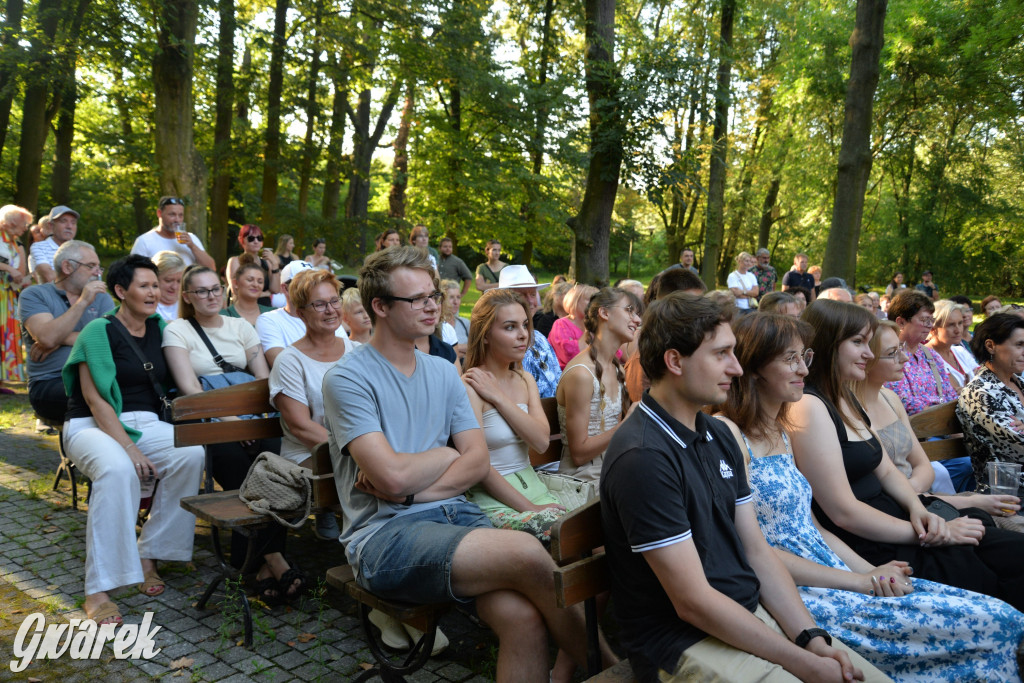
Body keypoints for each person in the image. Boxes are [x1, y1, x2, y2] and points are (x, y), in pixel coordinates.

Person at [323, 245, 600, 681]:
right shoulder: (348, 378)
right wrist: (446, 454)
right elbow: (391, 476)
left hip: (458, 517)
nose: (432, 305)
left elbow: (474, 463)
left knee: (523, 619)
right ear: (379, 306)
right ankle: (615, 669)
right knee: (529, 551)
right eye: (416, 299)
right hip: (384, 537)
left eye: (433, 294)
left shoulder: (441, 370)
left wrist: (420, 481)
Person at [716, 312, 1024, 682]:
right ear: (752, 368)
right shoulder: (732, 432)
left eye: (804, 357)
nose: (802, 368)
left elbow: (814, 527)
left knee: (1003, 611)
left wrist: (870, 570)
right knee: (998, 618)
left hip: (840, 563)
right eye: (790, 359)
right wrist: (861, 579)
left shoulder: (780, 431)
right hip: (804, 587)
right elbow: (759, 549)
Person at [601, 293, 883, 683]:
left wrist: (812, 638)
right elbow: (693, 602)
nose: (736, 368)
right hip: (685, 641)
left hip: (747, 613)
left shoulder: (717, 434)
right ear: (674, 361)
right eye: (721, 354)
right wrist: (800, 662)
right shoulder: (643, 457)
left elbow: (757, 550)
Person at [791, 298, 1024, 611]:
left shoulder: (844, 397)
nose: (868, 353)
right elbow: (843, 512)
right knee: (989, 576)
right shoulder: (810, 406)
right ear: (829, 345)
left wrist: (921, 510)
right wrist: (927, 532)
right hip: (876, 542)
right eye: (858, 342)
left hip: (902, 522)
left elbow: (887, 471)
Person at [62, 255, 205, 624]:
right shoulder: (98, 331)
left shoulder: (162, 327)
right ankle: (98, 590)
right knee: (118, 470)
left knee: (190, 452)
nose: (154, 292)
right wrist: (129, 448)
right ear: (121, 292)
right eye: (145, 285)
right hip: (90, 423)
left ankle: (150, 554)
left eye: (156, 285)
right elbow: (94, 401)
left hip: (146, 421)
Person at [162, 265, 301, 601]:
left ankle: (251, 565)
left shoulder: (241, 326)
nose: (210, 296)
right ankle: (274, 559)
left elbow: (262, 381)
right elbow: (191, 390)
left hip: (253, 416)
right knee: (239, 474)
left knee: (274, 471)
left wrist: (248, 419)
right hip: (209, 422)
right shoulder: (177, 330)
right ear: (187, 296)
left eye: (214, 289)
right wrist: (231, 423)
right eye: (201, 291)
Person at [860, 319, 1014, 508]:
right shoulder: (851, 409)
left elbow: (923, 467)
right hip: (899, 506)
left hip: (916, 499)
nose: (905, 358)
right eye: (892, 353)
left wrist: (913, 493)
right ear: (865, 358)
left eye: (901, 348)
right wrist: (914, 497)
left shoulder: (890, 399)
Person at [462, 288, 567, 537]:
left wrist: (498, 397)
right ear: (485, 334)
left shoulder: (525, 379)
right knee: (564, 533)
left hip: (534, 486)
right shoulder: (468, 387)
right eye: (510, 327)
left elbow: (541, 443)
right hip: (493, 499)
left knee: (597, 526)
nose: (523, 335)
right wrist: (530, 508)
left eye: (524, 325)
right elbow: (480, 465)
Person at [19, 240, 115, 421]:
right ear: (67, 267)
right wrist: (83, 301)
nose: (97, 272)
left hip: (98, 375)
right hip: (50, 382)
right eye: (91, 266)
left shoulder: (102, 298)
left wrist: (61, 338)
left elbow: (111, 340)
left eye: (98, 267)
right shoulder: (35, 294)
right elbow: (47, 338)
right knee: (91, 398)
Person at [557, 288, 638, 482]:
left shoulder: (617, 370)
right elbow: (579, 455)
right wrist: (628, 425)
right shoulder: (582, 374)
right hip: (584, 477)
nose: (637, 320)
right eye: (629, 310)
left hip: (610, 466)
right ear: (604, 313)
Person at [957, 313, 1024, 489]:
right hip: (1010, 492)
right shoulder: (980, 393)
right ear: (991, 346)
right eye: (1019, 345)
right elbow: (1020, 445)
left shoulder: (1018, 382)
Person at [255, 260, 353, 367]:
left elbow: (347, 359)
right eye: (303, 282)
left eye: (314, 280)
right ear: (285, 289)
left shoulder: (328, 317)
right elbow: (283, 366)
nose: (313, 286)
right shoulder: (269, 320)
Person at [884, 290, 958, 416]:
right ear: (901, 322)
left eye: (931, 320)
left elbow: (950, 395)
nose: (930, 325)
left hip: (943, 428)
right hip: (912, 429)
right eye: (924, 320)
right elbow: (900, 400)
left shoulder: (932, 356)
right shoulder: (886, 355)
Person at [130, 197, 215, 270]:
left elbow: (211, 267)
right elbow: (134, 273)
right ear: (159, 213)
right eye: (172, 214)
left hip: (188, 289)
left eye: (180, 215)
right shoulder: (144, 241)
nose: (177, 220)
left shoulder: (191, 238)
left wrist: (192, 246)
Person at [0, 205, 31, 392]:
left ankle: (1, 380)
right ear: (10, 222)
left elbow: (20, 271)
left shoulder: (15, 244)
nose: (26, 227)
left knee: (6, 336)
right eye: (24, 223)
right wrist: (8, 269)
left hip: (9, 295)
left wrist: (21, 278)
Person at [924, 300, 979, 391]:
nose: (958, 330)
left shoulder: (960, 351)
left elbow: (984, 379)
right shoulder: (925, 357)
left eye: (960, 323)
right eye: (951, 325)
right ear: (933, 329)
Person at [226, 224, 280, 307]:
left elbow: (275, 290)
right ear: (241, 240)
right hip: (243, 309)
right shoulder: (235, 261)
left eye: (259, 238)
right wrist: (265, 293)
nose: (256, 241)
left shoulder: (267, 263)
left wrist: (275, 264)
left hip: (264, 310)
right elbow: (236, 290)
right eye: (251, 238)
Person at [548, 283, 598, 369]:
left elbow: (614, 353)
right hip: (569, 375)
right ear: (574, 300)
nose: (595, 304)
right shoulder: (561, 324)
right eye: (590, 300)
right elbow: (570, 356)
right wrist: (589, 329)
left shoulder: (598, 325)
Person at [29, 205, 79, 284]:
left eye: (73, 222)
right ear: (51, 226)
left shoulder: (82, 249)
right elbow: (50, 278)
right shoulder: (39, 247)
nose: (69, 226)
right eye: (63, 221)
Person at [222, 255, 274, 327]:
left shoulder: (273, 313)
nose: (256, 284)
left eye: (260, 282)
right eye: (250, 280)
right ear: (236, 283)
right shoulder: (224, 316)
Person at [152, 250, 186, 322]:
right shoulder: (144, 306)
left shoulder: (188, 304)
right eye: (168, 280)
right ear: (155, 279)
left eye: (179, 281)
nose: (174, 287)